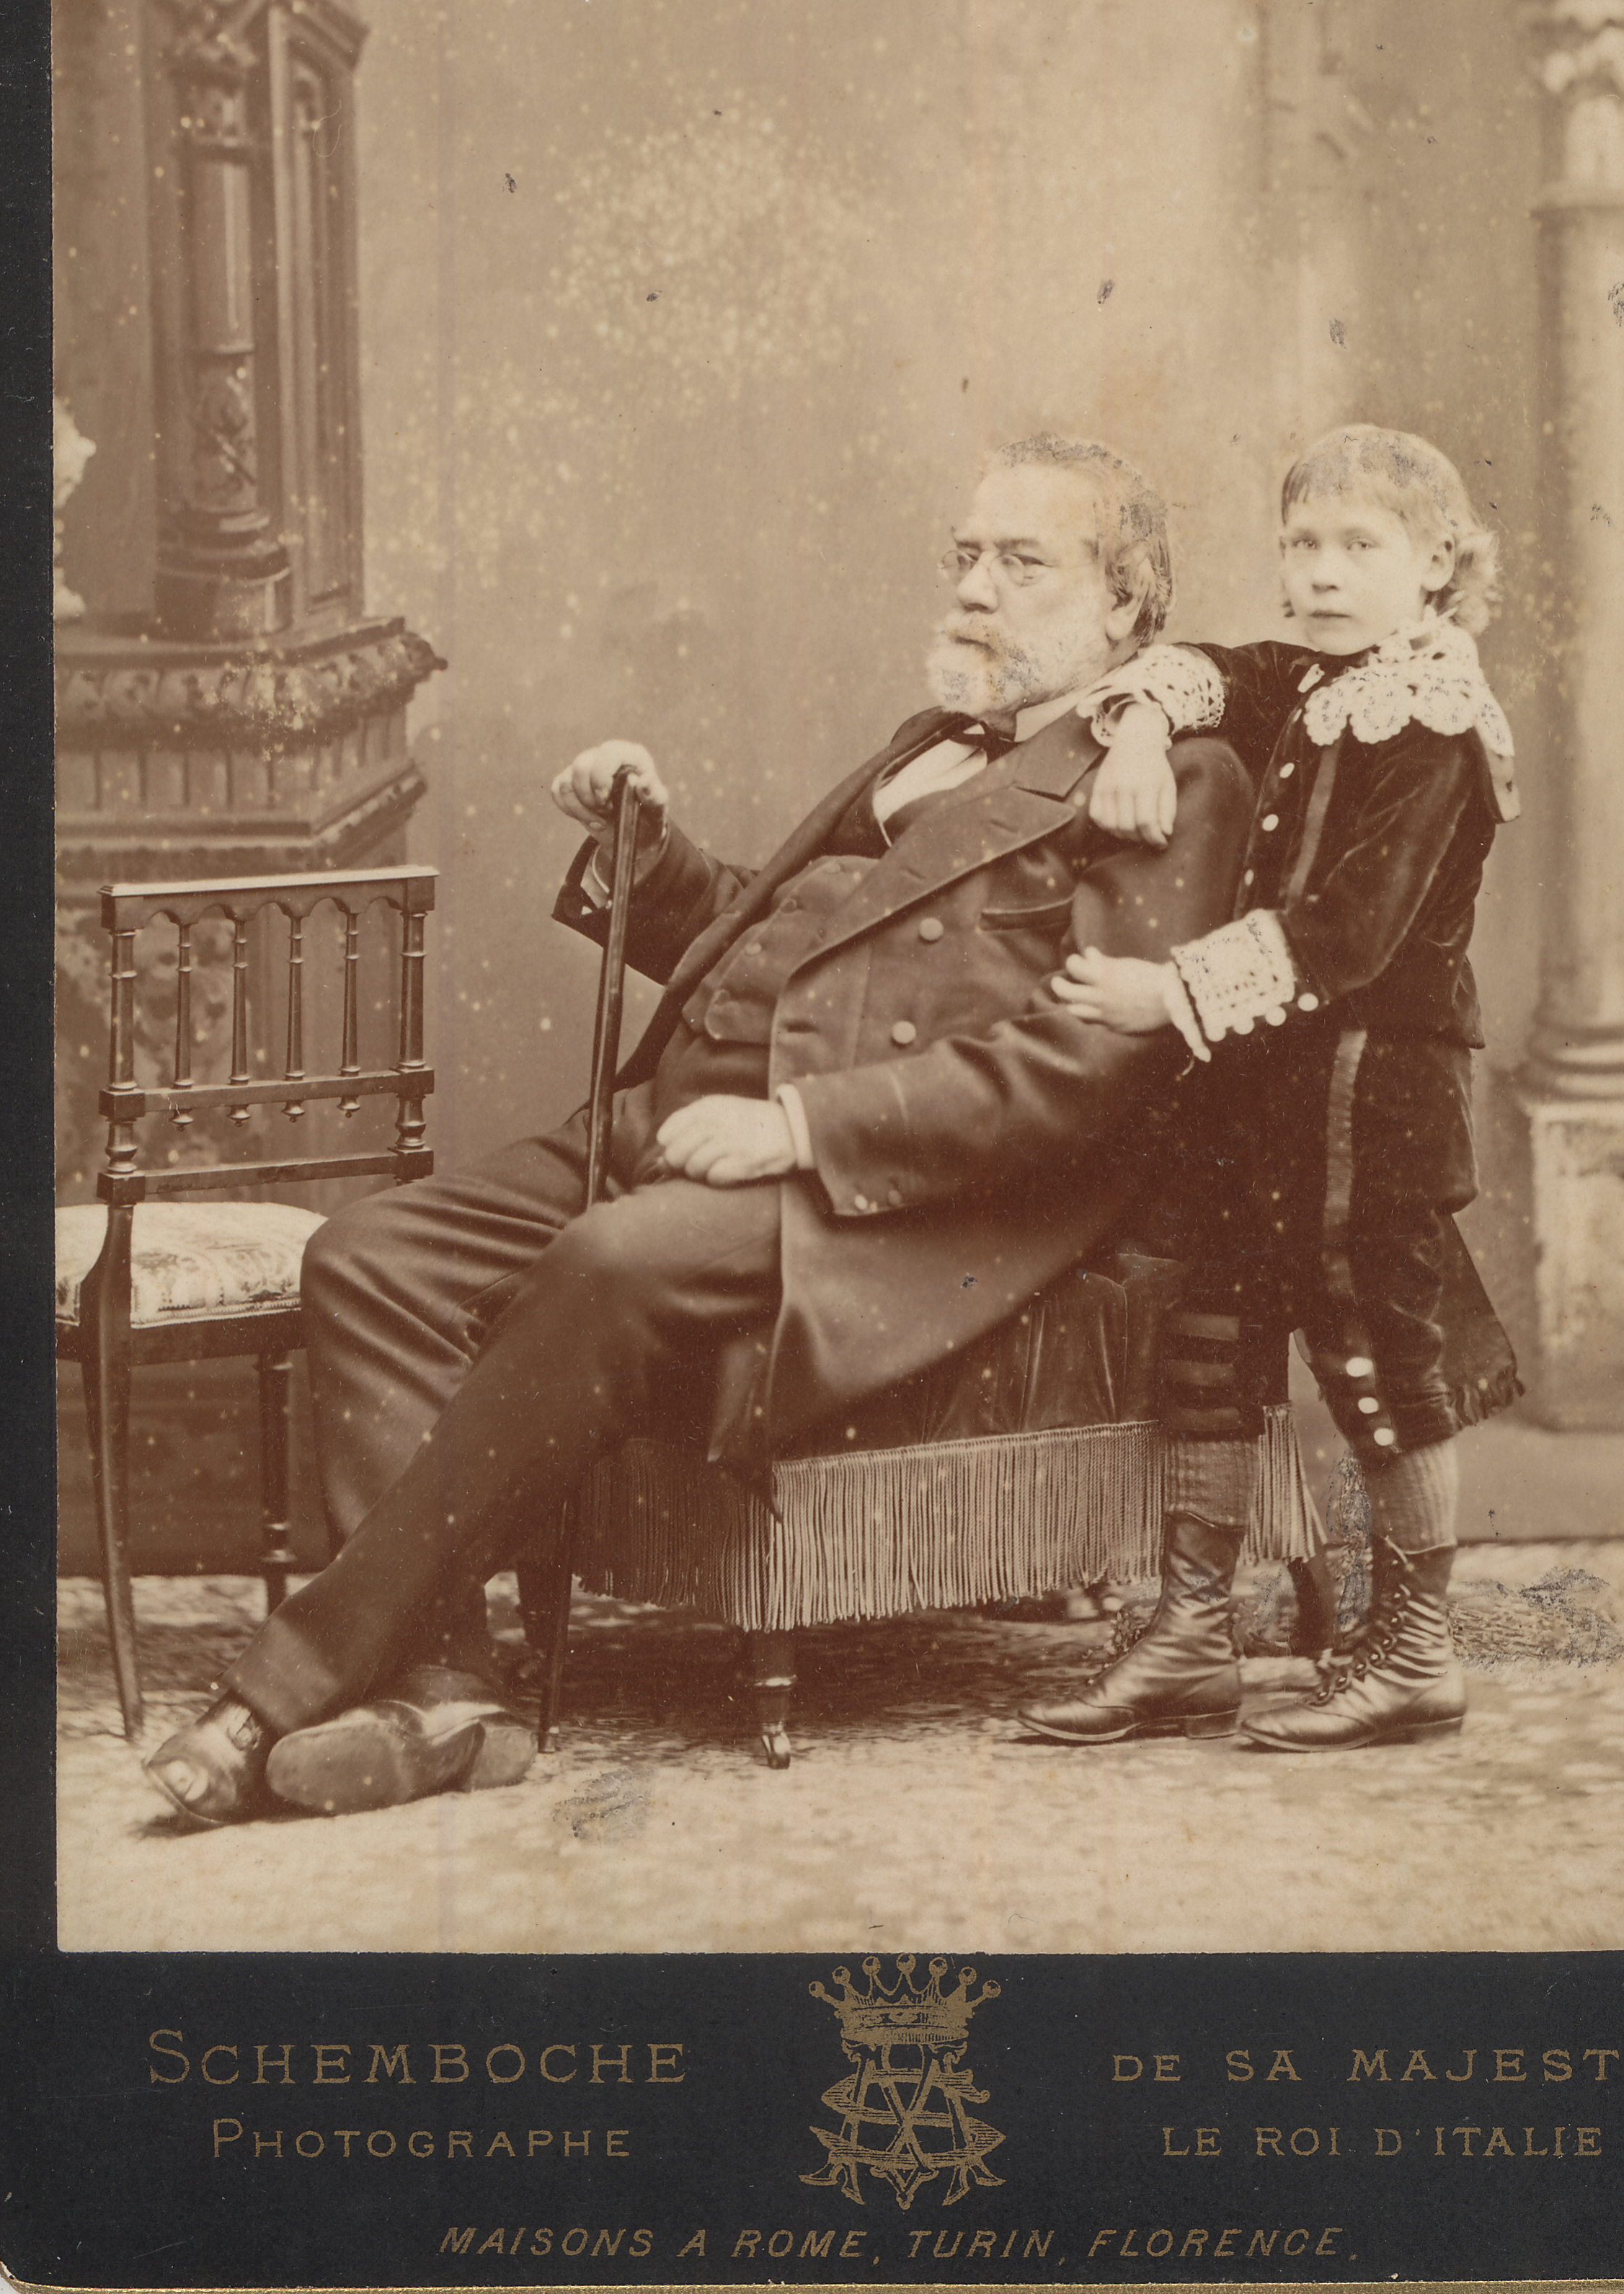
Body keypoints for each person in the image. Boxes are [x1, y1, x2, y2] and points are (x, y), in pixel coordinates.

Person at [144, 435, 1251, 1826]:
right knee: (370, 1251)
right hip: (682, 1124)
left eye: (1021, 562)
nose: (975, 588)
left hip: (888, 1191)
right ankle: (440, 1694)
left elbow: (1084, 1071)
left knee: (607, 1264)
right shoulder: (928, 749)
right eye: (963, 555)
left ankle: (288, 1680)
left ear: (1126, 609)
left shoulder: (1164, 777)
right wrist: (651, 854)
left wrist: (795, 1125)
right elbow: (799, 947)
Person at [1019, 424, 1521, 1753]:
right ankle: (1191, 1639)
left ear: (1435, 569)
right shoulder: (1314, 675)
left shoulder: (1438, 719)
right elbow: (1207, 669)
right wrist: (1131, 725)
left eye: (1361, 546)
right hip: (1259, 1091)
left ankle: (1415, 1651)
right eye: (1303, 543)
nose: (1321, 571)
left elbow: (1351, 935)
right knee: (1209, 1343)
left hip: (1370, 1095)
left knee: (1374, 1355)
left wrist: (1161, 992)